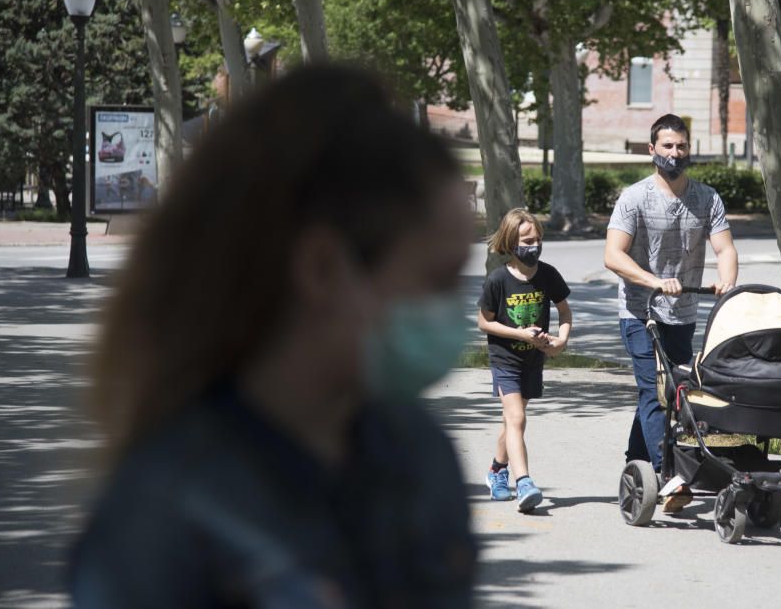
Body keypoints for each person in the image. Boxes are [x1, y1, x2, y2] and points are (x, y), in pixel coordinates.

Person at [70, 66, 477, 607]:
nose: (454, 310)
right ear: (322, 268)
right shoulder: (164, 511)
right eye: (438, 279)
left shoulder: (419, 453)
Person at [603, 113, 738, 513]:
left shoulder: (707, 198)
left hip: (683, 313)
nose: (675, 154)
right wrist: (653, 280)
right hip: (639, 312)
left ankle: (634, 457)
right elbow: (613, 255)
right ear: (652, 150)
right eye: (667, 147)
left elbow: (725, 249)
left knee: (674, 395)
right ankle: (667, 477)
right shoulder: (635, 197)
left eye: (681, 146)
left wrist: (727, 284)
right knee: (655, 393)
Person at [478, 209, 572, 513]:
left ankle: (496, 471)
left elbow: (564, 311)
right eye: (527, 241)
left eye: (538, 240)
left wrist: (561, 340)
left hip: (534, 359)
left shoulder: (547, 274)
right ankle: (525, 483)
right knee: (517, 418)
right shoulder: (498, 280)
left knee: (512, 422)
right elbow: (484, 322)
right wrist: (520, 334)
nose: (534, 246)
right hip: (505, 359)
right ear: (510, 242)